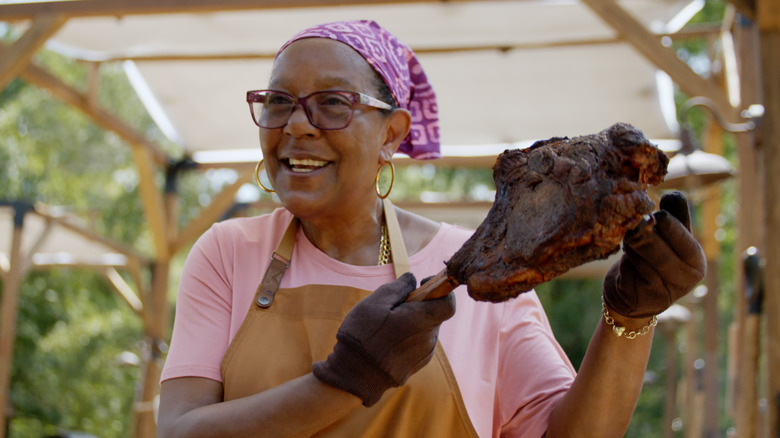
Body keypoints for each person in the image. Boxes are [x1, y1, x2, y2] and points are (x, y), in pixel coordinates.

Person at [157, 20, 706, 437]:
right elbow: (179, 430)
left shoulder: (477, 264)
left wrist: (629, 319)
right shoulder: (228, 254)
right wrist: (344, 381)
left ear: (392, 133)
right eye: (278, 102)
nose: (298, 124)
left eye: (332, 104)